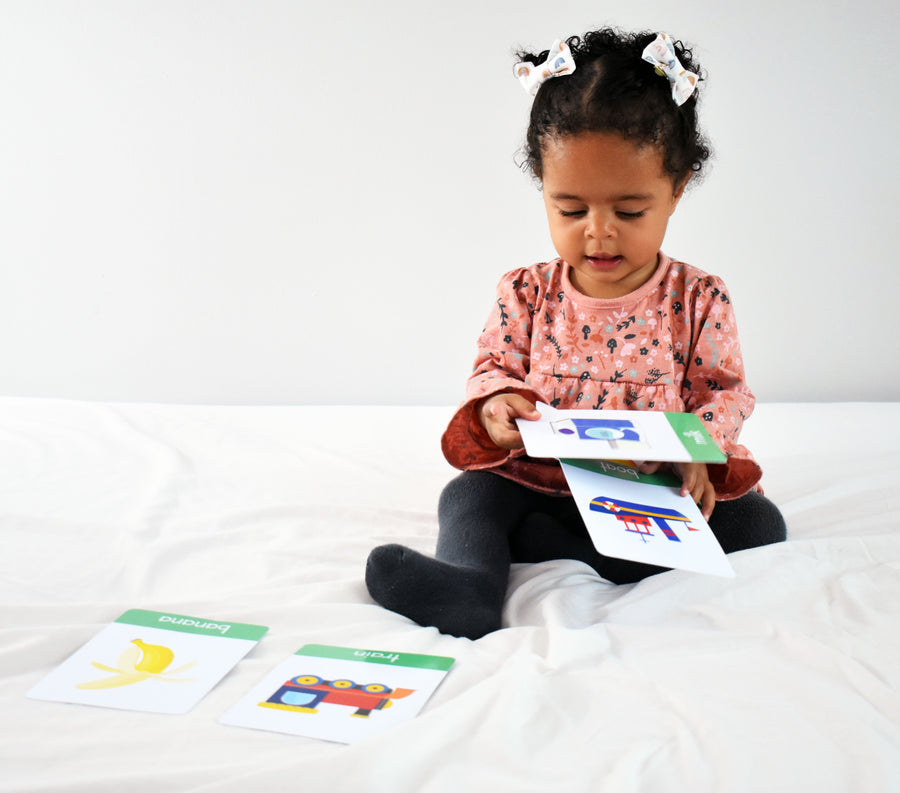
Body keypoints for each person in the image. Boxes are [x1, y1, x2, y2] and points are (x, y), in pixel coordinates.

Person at [365, 28, 786, 640]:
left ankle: (576, 550)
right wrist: (497, 406)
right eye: (570, 209)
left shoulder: (698, 298)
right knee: (469, 496)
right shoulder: (527, 291)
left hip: (650, 484)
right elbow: (493, 368)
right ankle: (467, 585)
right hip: (540, 479)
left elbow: (724, 394)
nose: (599, 232)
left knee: (758, 523)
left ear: (679, 187)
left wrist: (694, 450)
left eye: (630, 211)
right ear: (542, 186)